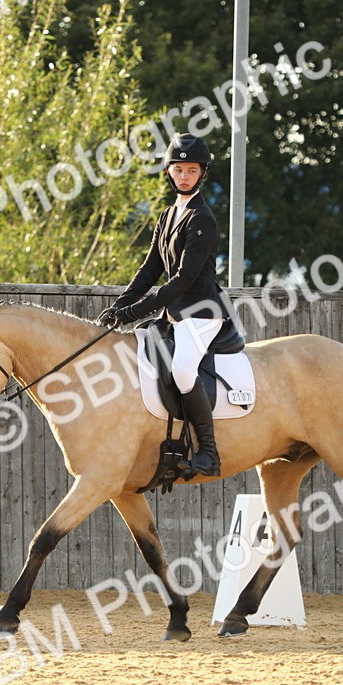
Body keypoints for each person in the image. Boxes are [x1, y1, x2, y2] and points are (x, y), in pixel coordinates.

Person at [97, 133, 237, 477]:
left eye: (191, 170)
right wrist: (120, 305)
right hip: (174, 315)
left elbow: (184, 280)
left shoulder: (202, 218)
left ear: (201, 173)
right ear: (169, 172)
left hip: (202, 313)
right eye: (179, 169)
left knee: (183, 370)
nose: (185, 176)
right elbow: (150, 270)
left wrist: (135, 312)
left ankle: (208, 451)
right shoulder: (167, 215)